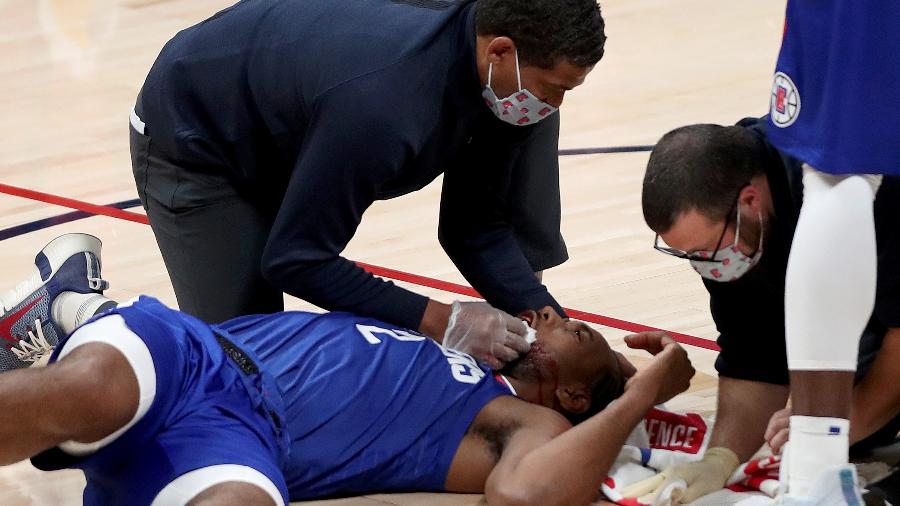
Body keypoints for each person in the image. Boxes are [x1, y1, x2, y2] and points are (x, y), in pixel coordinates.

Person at [0, 233, 695, 505]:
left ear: (572, 391)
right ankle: (75, 313)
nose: (550, 314)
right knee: (91, 387)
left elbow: (526, 498)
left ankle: (68, 310)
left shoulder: (524, 419)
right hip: (194, 357)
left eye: (574, 330)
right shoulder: (470, 347)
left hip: (242, 444)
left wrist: (640, 395)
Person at [128, 0, 607, 368]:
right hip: (196, 141)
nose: (555, 104)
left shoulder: (499, 77)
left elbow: (474, 229)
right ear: (500, 52)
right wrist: (445, 320)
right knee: (242, 366)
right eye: (555, 88)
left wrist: (555, 326)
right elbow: (296, 259)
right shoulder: (385, 106)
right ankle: (74, 308)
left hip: (293, 123)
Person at [628, 117, 900, 504]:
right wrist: (720, 459)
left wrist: (835, 424)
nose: (705, 264)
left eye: (705, 251)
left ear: (750, 202)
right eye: (690, 255)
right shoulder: (733, 229)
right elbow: (754, 353)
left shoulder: (859, 182)